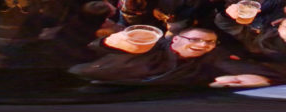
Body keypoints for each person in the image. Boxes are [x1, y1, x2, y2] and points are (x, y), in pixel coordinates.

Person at [69, 27, 232, 86]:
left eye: (209, 42)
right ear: (175, 39)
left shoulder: (199, 68)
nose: (203, 45)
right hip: (85, 81)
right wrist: (106, 43)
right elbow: (92, 49)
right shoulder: (150, 45)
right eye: (195, 40)